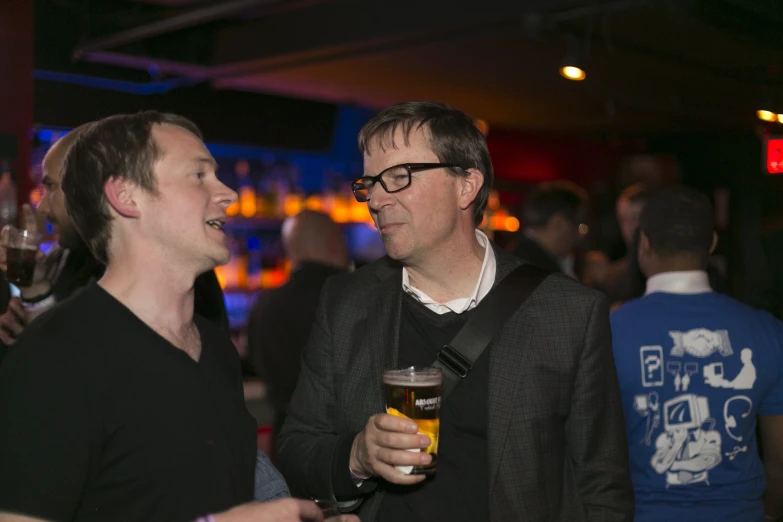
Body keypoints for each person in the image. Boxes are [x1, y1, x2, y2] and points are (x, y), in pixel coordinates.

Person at [277, 101, 634, 521]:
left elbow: (603, 487)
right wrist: (357, 455)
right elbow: (296, 448)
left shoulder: (568, 312)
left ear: (466, 186)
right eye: (370, 182)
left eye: (397, 177)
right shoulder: (346, 300)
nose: (374, 199)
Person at [0, 111, 356, 522]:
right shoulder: (55, 354)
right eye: (199, 176)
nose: (228, 194)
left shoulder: (214, 348)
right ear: (126, 196)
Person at [610, 186, 783, 522]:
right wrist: (772, 513)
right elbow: (780, 457)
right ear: (712, 244)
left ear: (643, 244)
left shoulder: (607, 329)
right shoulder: (767, 331)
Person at [0, 123, 230, 360]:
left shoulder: (171, 265)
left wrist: (38, 302)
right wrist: (25, 315)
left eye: (51, 187)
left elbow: (110, 375)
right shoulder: (60, 258)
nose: (43, 206)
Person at [247, 209, 350, 459]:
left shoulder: (265, 305)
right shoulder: (352, 297)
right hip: (343, 451)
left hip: (285, 446)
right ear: (333, 242)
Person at [510, 180, 587, 277]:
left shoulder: (516, 256)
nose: (580, 236)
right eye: (579, 226)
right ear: (558, 223)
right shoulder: (540, 270)